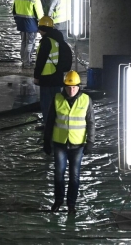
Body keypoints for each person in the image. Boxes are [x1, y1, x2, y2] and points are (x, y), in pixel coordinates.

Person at [43, 70, 94, 213]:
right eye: (68, 87)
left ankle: (71, 204)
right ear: (64, 86)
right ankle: (58, 201)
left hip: (78, 145)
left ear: (79, 86)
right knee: (59, 174)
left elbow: (91, 123)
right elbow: (50, 121)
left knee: (74, 176)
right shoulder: (57, 99)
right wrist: (46, 140)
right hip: (60, 143)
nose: (71, 90)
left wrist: (90, 141)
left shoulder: (86, 100)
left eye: (74, 87)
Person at [34, 16, 73, 130]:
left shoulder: (46, 41)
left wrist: (36, 76)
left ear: (42, 29)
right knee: (57, 101)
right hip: (58, 75)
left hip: (47, 76)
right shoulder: (58, 38)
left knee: (46, 102)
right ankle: (58, 123)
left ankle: (48, 125)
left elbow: (40, 61)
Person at [12, 0, 45, 68]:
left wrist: (17, 20)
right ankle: (27, 63)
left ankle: (23, 60)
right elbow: (40, 15)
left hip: (21, 23)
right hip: (31, 24)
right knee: (30, 43)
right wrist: (42, 25)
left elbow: (13, 10)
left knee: (23, 42)